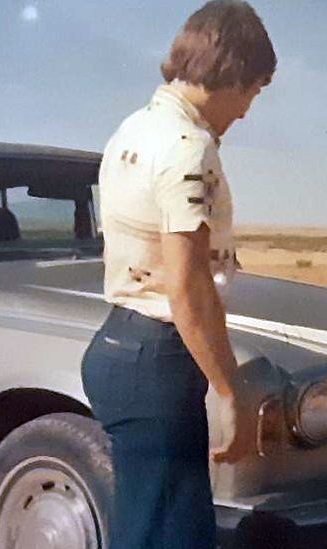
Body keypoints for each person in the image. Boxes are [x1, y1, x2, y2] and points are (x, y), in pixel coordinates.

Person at [80, 1, 276, 548]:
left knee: (147, 527)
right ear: (232, 73)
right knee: (174, 536)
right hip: (159, 359)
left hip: (123, 346)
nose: (246, 111)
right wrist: (230, 391)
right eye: (254, 91)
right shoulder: (188, 148)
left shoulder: (135, 128)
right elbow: (186, 288)